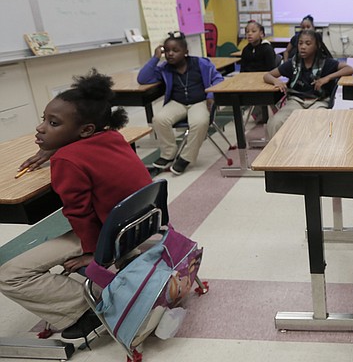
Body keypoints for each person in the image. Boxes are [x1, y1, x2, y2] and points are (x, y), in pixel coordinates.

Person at [0, 70, 153, 343]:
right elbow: (87, 155)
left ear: (85, 130)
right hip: (139, 225)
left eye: (54, 123)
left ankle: (85, 311)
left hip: (110, 235)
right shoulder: (112, 138)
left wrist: (94, 254)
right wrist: (56, 146)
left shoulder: (68, 160)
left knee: (9, 275)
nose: (40, 128)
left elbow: (79, 213)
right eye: (44, 120)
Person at [138, 31, 224, 175]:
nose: (170, 54)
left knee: (200, 122)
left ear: (186, 52)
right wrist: (155, 58)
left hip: (199, 102)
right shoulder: (164, 68)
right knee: (159, 120)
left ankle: (186, 157)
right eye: (167, 51)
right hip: (177, 102)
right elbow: (142, 79)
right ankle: (169, 153)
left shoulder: (201, 63)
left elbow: (218, 79)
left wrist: (211, 94)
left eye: (175, 50)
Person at [263, 29, 353, 138]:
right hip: (295, 101)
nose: (303, 47)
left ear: (317, 45)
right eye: (300, 43)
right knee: (275, 122)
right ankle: (277, 152)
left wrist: (327, 78)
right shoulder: (293, 63)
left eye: (308, 43)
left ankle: (312, 153)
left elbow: (349, 69)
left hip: (319, 102)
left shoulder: (325, 62)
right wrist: (276, 81)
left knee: (317, 124)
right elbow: (267, 75)